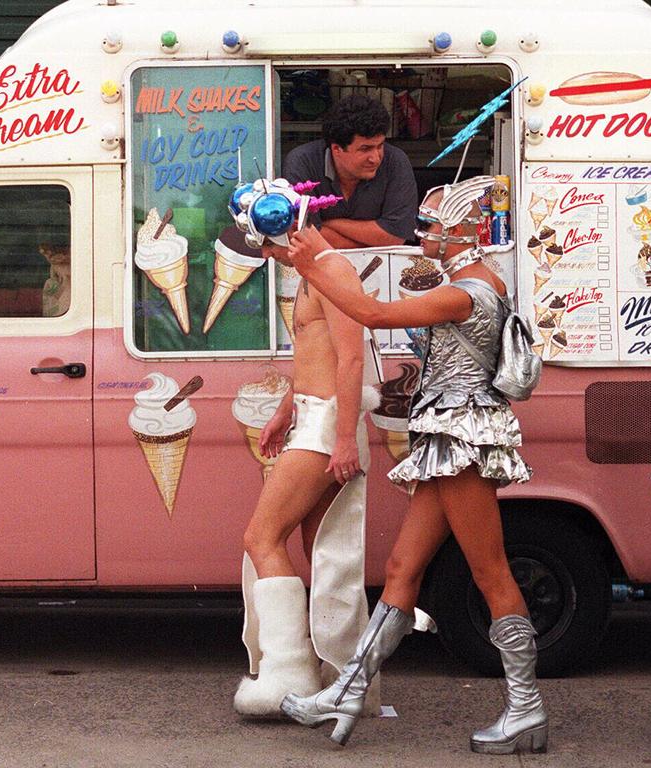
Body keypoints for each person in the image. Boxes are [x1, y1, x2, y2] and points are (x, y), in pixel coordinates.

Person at [279, 176, 548, 755]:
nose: (419, 233)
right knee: (402, 566)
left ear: (459, 233)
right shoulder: (466, 283)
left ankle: (526, 709)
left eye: (428, 225)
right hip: (445, 435)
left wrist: (317, 265)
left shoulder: (467, 291)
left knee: (491, 571)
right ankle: (349, 689)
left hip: (461, 436)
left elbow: (372, 315)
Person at [232, 224, 381, 718]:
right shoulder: (312, 272)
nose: (269, 255)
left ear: (293, 233)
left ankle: (288, 671)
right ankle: (342, 681)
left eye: (271, 244)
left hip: (326, 425)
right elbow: (313, 360)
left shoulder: (332, 270)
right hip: (315, 421)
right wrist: (282, 412)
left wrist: (341, 436)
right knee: (326, 554)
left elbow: (352, 356)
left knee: (261, 536)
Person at [282, 94, 418, 249]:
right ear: (336, 149)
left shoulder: (396, 161)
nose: (375, 158)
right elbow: (304, 234)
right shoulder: (301, 162)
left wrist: (331, 224)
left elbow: (396, 236)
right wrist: (374, 241)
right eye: (365, 149)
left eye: (380, 146)